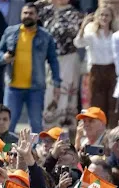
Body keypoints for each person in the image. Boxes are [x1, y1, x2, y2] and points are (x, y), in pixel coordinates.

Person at [0, 2, 61, 133]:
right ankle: (6, 152)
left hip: (35, 88)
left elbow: (53, 61)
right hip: (13, 87)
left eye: (31, 13)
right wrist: (4, 58)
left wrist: (56, 83)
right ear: (21, 15)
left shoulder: (45, 36)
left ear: (37, 16)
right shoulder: (10, 32)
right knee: (8, 125)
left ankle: (35, 152)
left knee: (36, 125)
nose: (27, 16)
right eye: (25, 13)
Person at [35, 0, 83, 131]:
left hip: (69, 58)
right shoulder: (45, 10)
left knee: (68, 94)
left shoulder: (75, 14)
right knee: (50, 94)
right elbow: (32, 8)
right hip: (50, 59)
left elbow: (74, 34)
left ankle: (69, 135)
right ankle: (49, 133)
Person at [75, 6, 117, 126]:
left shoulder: (114, 34)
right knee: (97, 101)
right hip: (96, 69)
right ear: (97, 17)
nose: (104, 18)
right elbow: (78, 43)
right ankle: (98, 128)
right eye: (101, 15)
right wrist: (83, 27)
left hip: (111, 69)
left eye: (107, 15)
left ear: (111, 18)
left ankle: (111, 128)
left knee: (112, 102)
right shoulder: (92, 34)